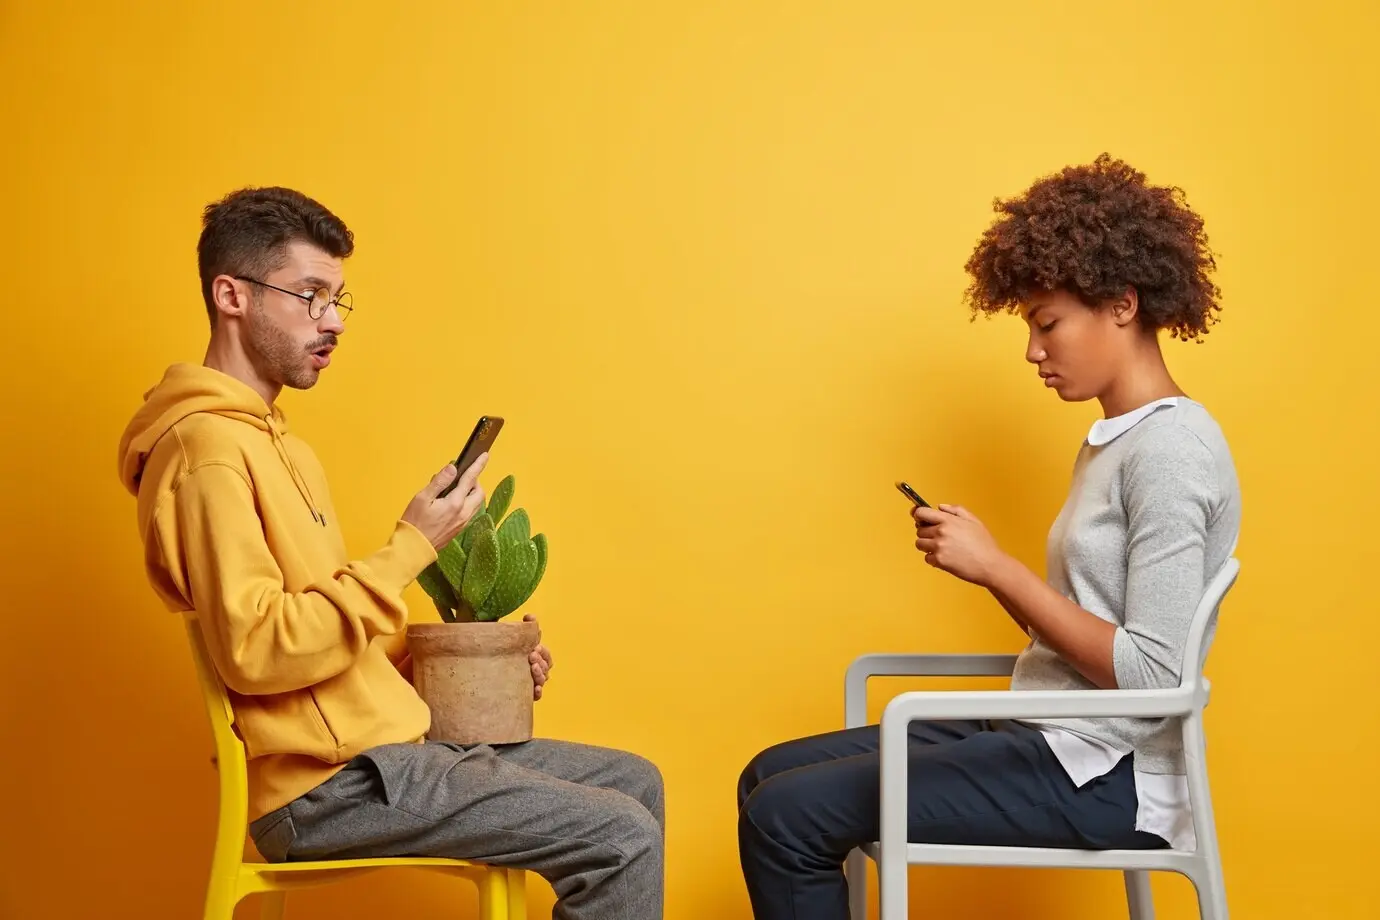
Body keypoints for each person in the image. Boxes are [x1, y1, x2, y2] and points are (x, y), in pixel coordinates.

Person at [117, 187, 664, 920]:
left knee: (636, 784)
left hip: (388, 755)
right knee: (619, 833)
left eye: (340, 298)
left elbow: (327, 651)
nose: (333, 321)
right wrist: (410, 547)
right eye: (310, 295)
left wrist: (475, 666)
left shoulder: (284, 447)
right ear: (231, 296)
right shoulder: (207, 452)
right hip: (327, 790)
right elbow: (256, 651)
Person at [736, 154, 1241, 920]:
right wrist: (983, 568)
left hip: (1104, 771)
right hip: (1048, 731)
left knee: (787, 817)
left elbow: (1151, 678)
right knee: (766, 780)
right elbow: (1081, 631)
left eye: (1048, 324)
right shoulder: (1115, 440)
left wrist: (1000, 568)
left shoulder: (1172, 452)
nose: (1034, 351)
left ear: (1123, 304)